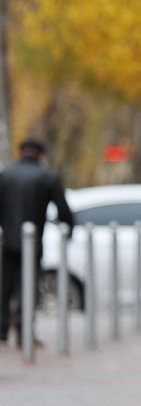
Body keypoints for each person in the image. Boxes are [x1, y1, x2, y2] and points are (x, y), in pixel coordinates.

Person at [0, 139, 75, 347]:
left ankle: (3, 331)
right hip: (32, 244)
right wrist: (69, 229)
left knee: (4, 287)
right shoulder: (46, 176)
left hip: (6, 243)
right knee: (28, 286)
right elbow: (64, 209)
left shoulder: (6, 174)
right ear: (41, 154)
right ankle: (24, 334)